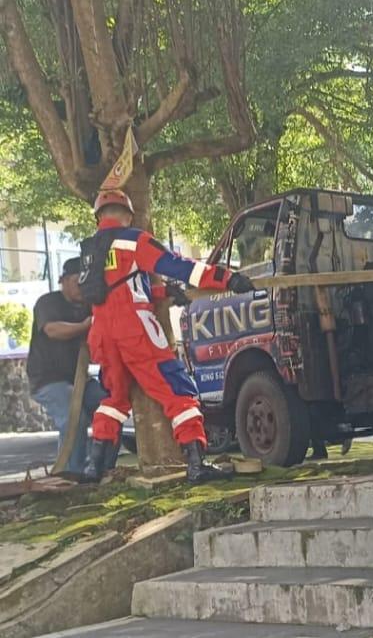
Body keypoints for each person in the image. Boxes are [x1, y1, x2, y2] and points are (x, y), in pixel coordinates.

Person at [82, 189, 256, 484]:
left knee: (113, 398)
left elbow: (118, 290)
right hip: (135, 330)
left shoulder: (89, 251)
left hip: (102, 334)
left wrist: (163, 293)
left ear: (99, 216)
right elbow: (178, 266)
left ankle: (93, 466)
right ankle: (197, 464)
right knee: (178, 391)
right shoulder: (134, 239)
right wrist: (227, 278)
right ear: (126, 215)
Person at [27, 257, 112, 478]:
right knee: (74, 415)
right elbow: (53, 330)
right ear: (63, 280)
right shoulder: (48, 302)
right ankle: (71, 474)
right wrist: (84, 326)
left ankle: (104, 468)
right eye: (76, 281)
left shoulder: (89, 307)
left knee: (110, 407)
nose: (80, 286)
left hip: (80, 378)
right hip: (48, 379)